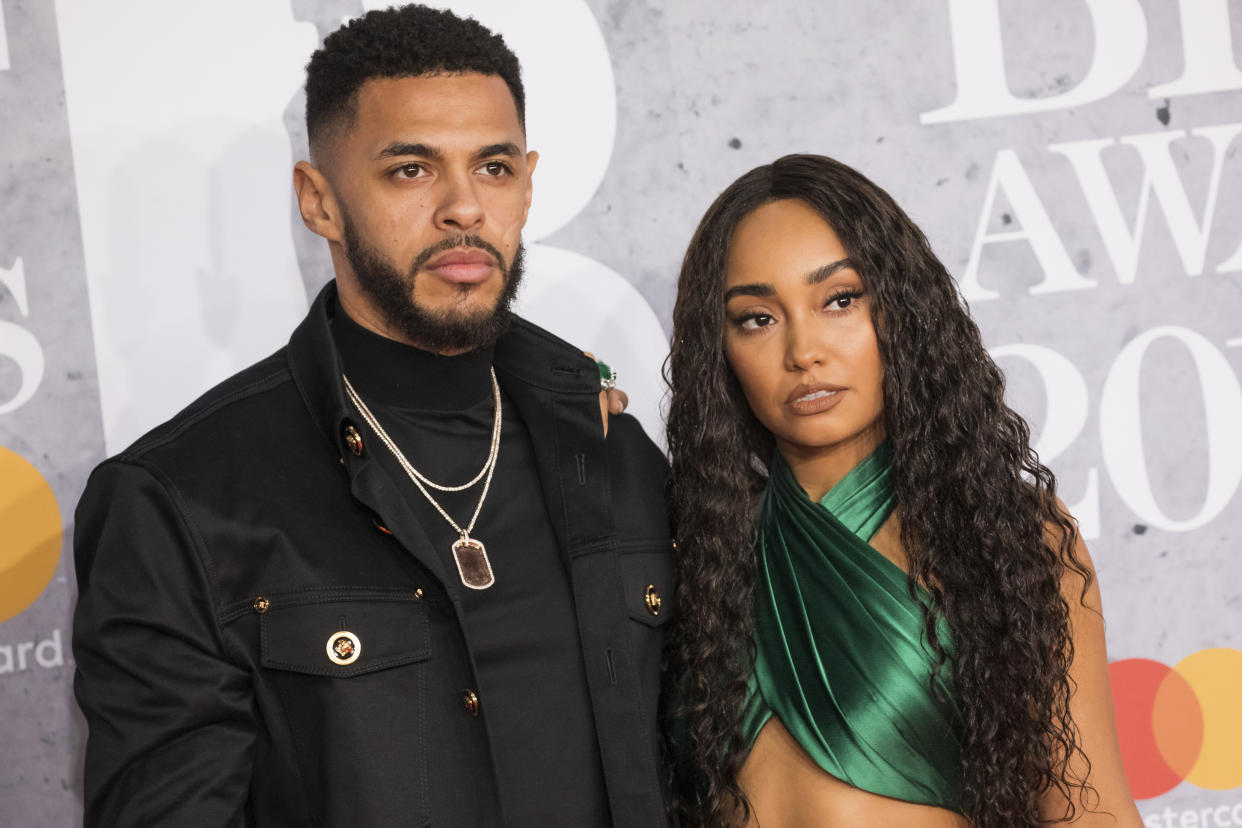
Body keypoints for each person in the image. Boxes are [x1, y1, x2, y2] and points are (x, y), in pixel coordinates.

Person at [71, 6, 673, 827]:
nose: (464, 207)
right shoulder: (181, 504)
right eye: (411, 171)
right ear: (318, 201)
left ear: (528, 184)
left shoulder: (612, 453)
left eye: (493, 167)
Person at [663, 154, 1141, 827]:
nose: (804, 351)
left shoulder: (1004, 534)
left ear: (902, 312)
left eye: (839, 300)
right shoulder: (693, 553)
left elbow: (1092, 815)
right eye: (757, 318)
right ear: (719, 350)